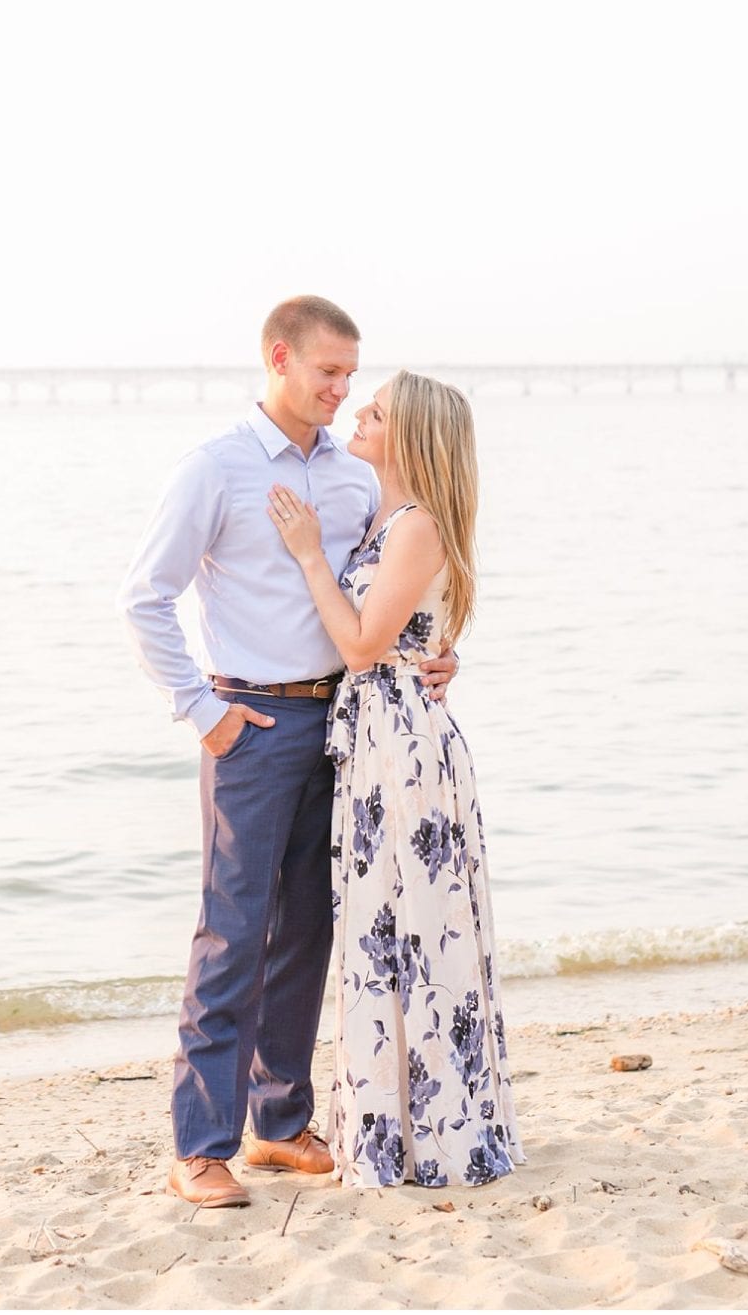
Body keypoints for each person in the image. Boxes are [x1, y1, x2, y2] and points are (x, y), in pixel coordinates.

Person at [118, 297, 457, 1208]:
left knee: (307, 928)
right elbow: (144, 597)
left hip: (343, 728)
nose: (344, 391)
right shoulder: (215, 468)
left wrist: (433, 653)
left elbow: (376, 594)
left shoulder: (352, 478)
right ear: (281, 358)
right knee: (232, 932)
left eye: (353, 376)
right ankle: (200, 1145)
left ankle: (277, 1121)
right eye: (329, 372)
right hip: (251, 726)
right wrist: (202, 710)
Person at [265, 369, 522, 1188]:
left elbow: (363, 645)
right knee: (388, 929)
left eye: (375, 410)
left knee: (412, 928)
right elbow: (414, 631)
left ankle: (431, 1133)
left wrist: (307, 557)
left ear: (408, 434)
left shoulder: (414, 524)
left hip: (403, 750)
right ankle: (400, 1125)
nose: (358, 413)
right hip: (380, 741)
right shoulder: (383, 513)